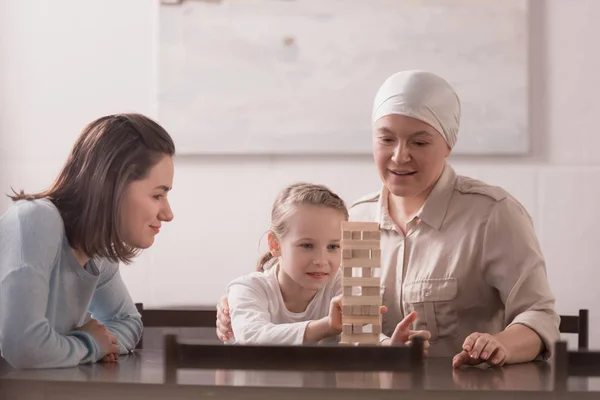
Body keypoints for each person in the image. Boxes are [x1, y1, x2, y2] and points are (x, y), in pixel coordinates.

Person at [216, 70, 560, 368]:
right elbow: (324, 307)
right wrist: (238, 306)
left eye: (420, 141)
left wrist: (501, 344)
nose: (399, 155)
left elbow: (539, 315)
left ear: (448, 144)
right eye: (386, 139)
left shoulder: (492, 215)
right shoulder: (354, 219)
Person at [0, 113, 175, 369]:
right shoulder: (35, 219)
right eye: (157, 195)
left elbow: (128, 322)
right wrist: (91, 344)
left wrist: (82, 343)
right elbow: (23, 347)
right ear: (113, 184)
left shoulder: (97, 252)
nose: (168, 214)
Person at [226, 182, 428, 347]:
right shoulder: (246, 289)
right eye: (306, 245)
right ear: (275, 244)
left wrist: (391, 347)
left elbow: (362, 334)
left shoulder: (342, 286)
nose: (321, 260)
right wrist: (326, 326)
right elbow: (253, 337)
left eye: (333, 246)